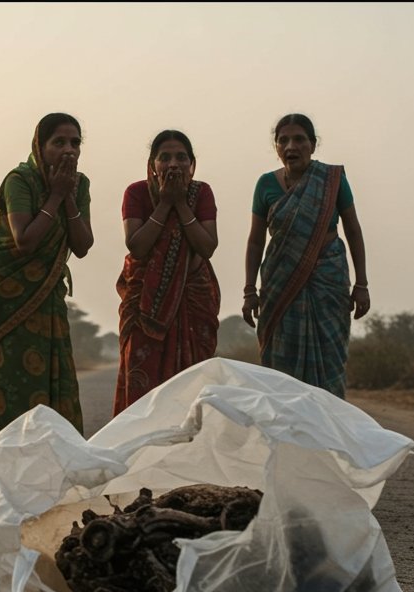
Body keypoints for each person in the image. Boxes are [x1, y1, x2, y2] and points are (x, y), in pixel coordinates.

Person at [0, 113, 94, 454]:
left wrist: (67, 197)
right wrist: (54, 196)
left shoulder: (79, 186)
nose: (68, 150)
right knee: (8, 389)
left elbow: (82, 246)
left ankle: (53, 476)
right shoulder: (19, 181)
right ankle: (0, 477)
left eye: (75, 143)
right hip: (4, 298)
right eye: (59, 142)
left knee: (54, 385)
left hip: (46, 299)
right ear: (39, 146)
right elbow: (24, 240)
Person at [242, 113, 370, 398]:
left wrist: (362, 284)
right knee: (281, 372)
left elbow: (353, 230)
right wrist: (249, 290)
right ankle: (286, 434)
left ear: (313, 145)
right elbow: (255, 241)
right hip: (280, 283)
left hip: (329, 279)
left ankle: (327, 433)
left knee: (330, 361)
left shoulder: (332, 180)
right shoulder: (265, 185)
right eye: (283, 140)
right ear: (276, 147)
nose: (291, 146)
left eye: (299, 139)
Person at [113, 129, 220, 414]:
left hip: (192, 303)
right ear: (152, 165)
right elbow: (137, 246)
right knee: (141, 391)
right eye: (165, 158)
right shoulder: (136, 193)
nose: (173, 164)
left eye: (181, 157)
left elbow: (207, 245)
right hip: (143, 306)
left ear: (192, 164)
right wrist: (164, 204)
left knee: (191, 391)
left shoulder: (202, 193)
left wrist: (181, 205)